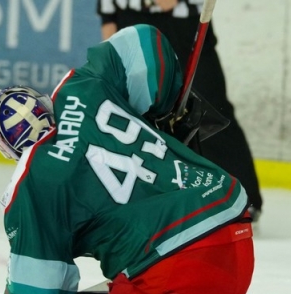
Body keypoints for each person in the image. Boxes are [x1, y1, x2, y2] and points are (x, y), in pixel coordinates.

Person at [0, 24, 291, 294]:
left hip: (180, 269)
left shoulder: (33, 184)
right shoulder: (79, 88)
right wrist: (165, 107)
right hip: (232, 224)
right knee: (111, 293)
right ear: (42, 103)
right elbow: (145, 46)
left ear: (5, 147)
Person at [97, 0, 264, 225]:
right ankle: (141, 197)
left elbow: (167, 3)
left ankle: (245, 198)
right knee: (136, 117)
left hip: (183, 31)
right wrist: (113, 56)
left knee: (208, 112)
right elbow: (109, 15)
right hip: (132, 31)